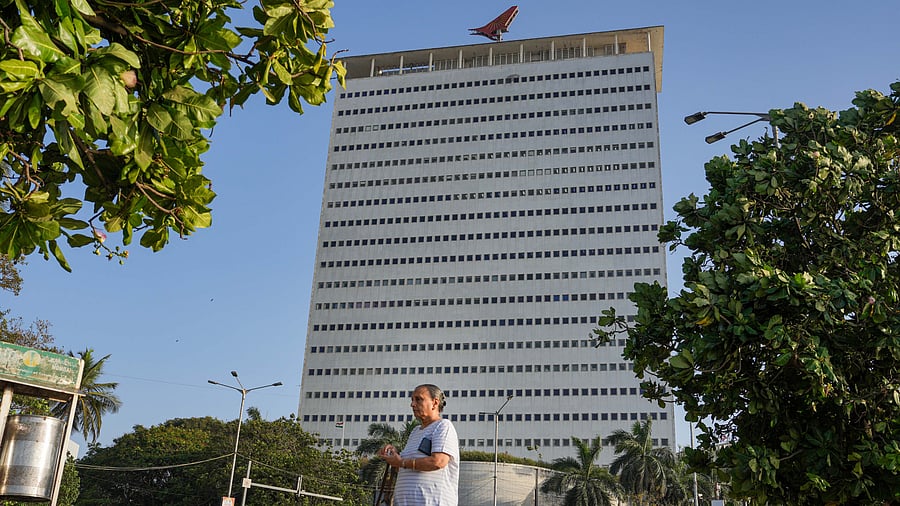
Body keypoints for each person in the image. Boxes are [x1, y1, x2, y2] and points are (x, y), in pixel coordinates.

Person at [379, 384, 459, 505]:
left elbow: (438, 462)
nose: (412, 404)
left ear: (435, 403)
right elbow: (408, 463)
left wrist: (401, 462)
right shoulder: (415, 431)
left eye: (418, 399)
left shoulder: (443, 426)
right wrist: (394, 455)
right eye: (412, 400)